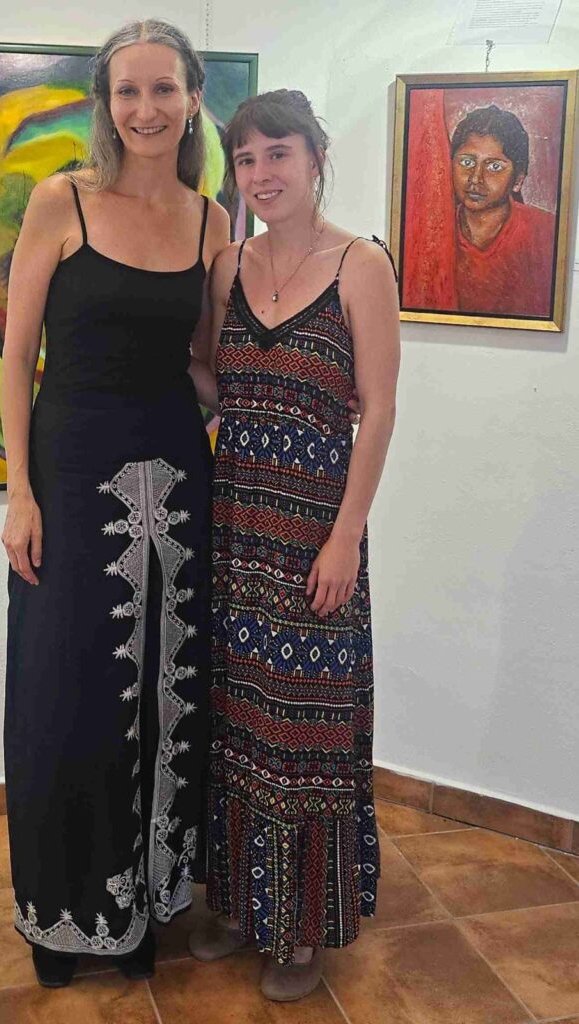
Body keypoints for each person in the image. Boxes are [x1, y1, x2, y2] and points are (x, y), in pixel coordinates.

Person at [0, 18, 229, 987]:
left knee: (170, 695)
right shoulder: (63, 201)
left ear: (192, 98)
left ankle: (148, 906)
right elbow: (17, 355)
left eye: (163, 88)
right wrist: (17, 490)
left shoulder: (213, 220)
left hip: (178, 482)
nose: (145, 108)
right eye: (127, 91)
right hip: (70, 477)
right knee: (66, 694)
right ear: (106, 102)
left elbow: (205, 366)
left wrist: (292, 393)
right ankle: (67, 918)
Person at [188, 89, 400, 1000]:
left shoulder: (361, 264)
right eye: (246, 159)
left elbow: (379, 410)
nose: (261, 173)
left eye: (278, 153)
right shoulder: (227, 267)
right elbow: (212, 378)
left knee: (303, 729)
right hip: (238, 530)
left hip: (316, 535)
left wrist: (346, 537)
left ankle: (302, 928)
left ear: (315, 156)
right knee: (239, 721)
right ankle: (242, 904)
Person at [402, 99, 556, 318]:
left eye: (494, 166)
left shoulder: (547, 233)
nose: (476, 178)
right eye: (467, 162)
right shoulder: (429, 235)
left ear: (518, 180)